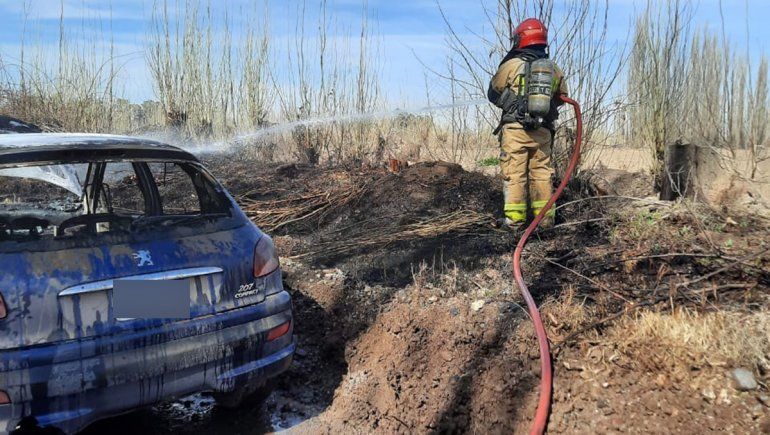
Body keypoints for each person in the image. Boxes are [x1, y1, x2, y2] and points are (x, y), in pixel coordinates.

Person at [488, 18, 568, 230]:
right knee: (542, 173)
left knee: (515, 174)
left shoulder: (511, 65)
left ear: (520, 39)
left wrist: (515, 104)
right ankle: (545, 221)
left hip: (515, 130)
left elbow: (493, 92)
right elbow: (562, 98)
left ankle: (515, 222)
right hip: (542, 131)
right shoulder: (554, 69)